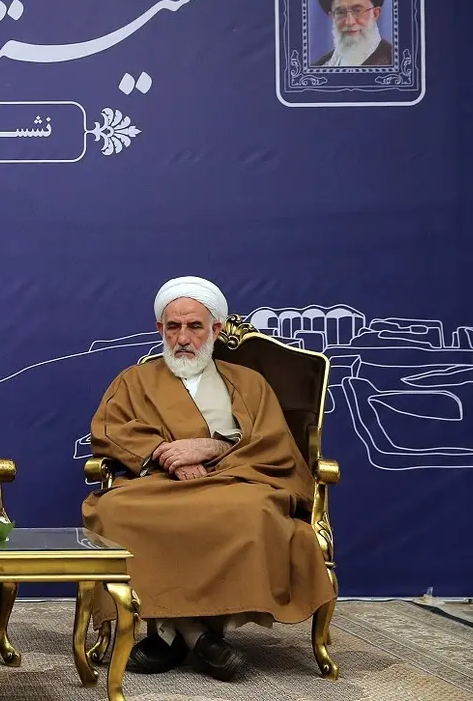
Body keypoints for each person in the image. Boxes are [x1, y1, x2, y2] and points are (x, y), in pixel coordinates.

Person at [81, 277, 336, 681]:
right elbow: (110, 430)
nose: (183, 337)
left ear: (215, 329)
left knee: (255, 511)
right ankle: (199, 638)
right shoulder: (133, 380)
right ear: (160, 329)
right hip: (160, 483)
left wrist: (211, 447)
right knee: (114, 510)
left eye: (194, 326)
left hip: (235, 481)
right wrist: (166, 454)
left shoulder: (249, 383)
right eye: (173, 327)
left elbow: (275, 444)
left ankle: (171, 637)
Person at [311, 0, 393, 67]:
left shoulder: (396, 62)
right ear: (332, 17)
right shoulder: (321, 66)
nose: (349, 22)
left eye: (357, 11)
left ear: (375, 13)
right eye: (341, 12)